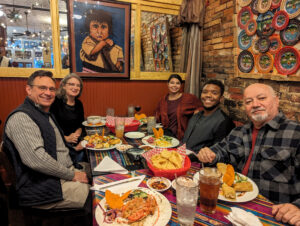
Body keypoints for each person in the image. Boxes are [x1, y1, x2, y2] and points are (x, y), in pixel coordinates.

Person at [197, 83, 300, 226]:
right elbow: (220, 151)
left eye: (261, 98)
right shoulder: (239, 132)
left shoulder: (296, 133)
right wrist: (210, 153)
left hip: (273, 215)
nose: (255, 104)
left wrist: (297, 207)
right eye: (248, 101)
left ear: (276, 100)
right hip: (232, 210)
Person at [3, 70, 90, 214]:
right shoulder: (21, 118)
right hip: (42, 186)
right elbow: (37, 160)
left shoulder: (42, 113)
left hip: (60, 173)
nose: (48, 93)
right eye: (42, 88)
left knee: (98, 172)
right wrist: (72, 175)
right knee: (95, 194)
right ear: (28, 89)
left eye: (51, 89)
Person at [182, 80, 235, 155]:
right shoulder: (196, 116)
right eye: (205, 92)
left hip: (199, 164)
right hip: (181, 158)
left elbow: (218, 153)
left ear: (221, 98)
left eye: (214, 93)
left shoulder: (224, 122)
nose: (208, 95)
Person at [50, 73, 86, 162]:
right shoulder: (55, 102)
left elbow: (81, 125)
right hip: (60, 145)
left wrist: (77, 136)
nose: (75, 87)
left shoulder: (78, 103)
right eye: (71, 84)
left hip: (76, 142)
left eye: (78, 85)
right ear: (63, 86)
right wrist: (66, 138)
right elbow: (49, 128)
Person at [155, 74, 201, 140]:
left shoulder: (189, 98)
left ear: (181, 85)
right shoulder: (163, 100)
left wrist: (197, 113)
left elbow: (201, 108)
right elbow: (157, 117)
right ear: (168, 84)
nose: (174, 85)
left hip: (182, 136)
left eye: (178, 83)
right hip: (165, 135)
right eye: (172, 83)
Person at [80, 9, 124, 73]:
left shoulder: (109, 43)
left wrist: (120, 62)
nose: (99, 31)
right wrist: (102, 44)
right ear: (88, 29)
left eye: (103, 27)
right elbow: (91, 53)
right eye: (95, 26)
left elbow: (119, 50)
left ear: (109, 30)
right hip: (90, 73)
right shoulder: (87, 41)